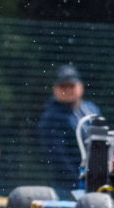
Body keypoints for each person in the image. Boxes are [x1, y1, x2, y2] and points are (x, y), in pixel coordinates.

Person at [36, 64, 100, 193]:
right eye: (63, 87)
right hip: (68, 186)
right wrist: (78, 180)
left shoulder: (91, 110)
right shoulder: (51, 117)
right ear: (55, 89)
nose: (67, 90)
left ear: (80, 87)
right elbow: (57, 157)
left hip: (96, 180)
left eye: (71, 86)